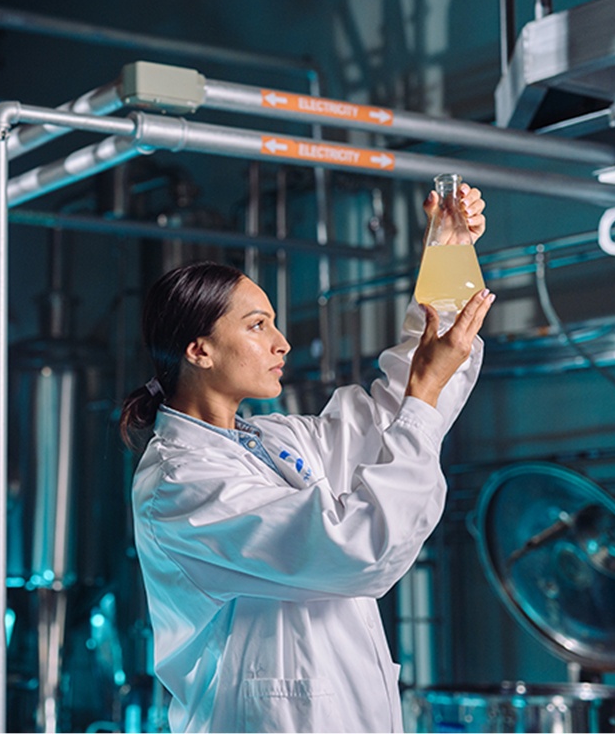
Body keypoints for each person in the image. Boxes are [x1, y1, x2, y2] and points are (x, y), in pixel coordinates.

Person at [121, 183, 493, 733]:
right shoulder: (179, 484)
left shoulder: (277, 442)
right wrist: (421, 398)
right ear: (198, 350)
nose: (282, 342)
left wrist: (448, 256)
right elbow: (359, 549)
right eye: (257, 325)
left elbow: (396, 412)